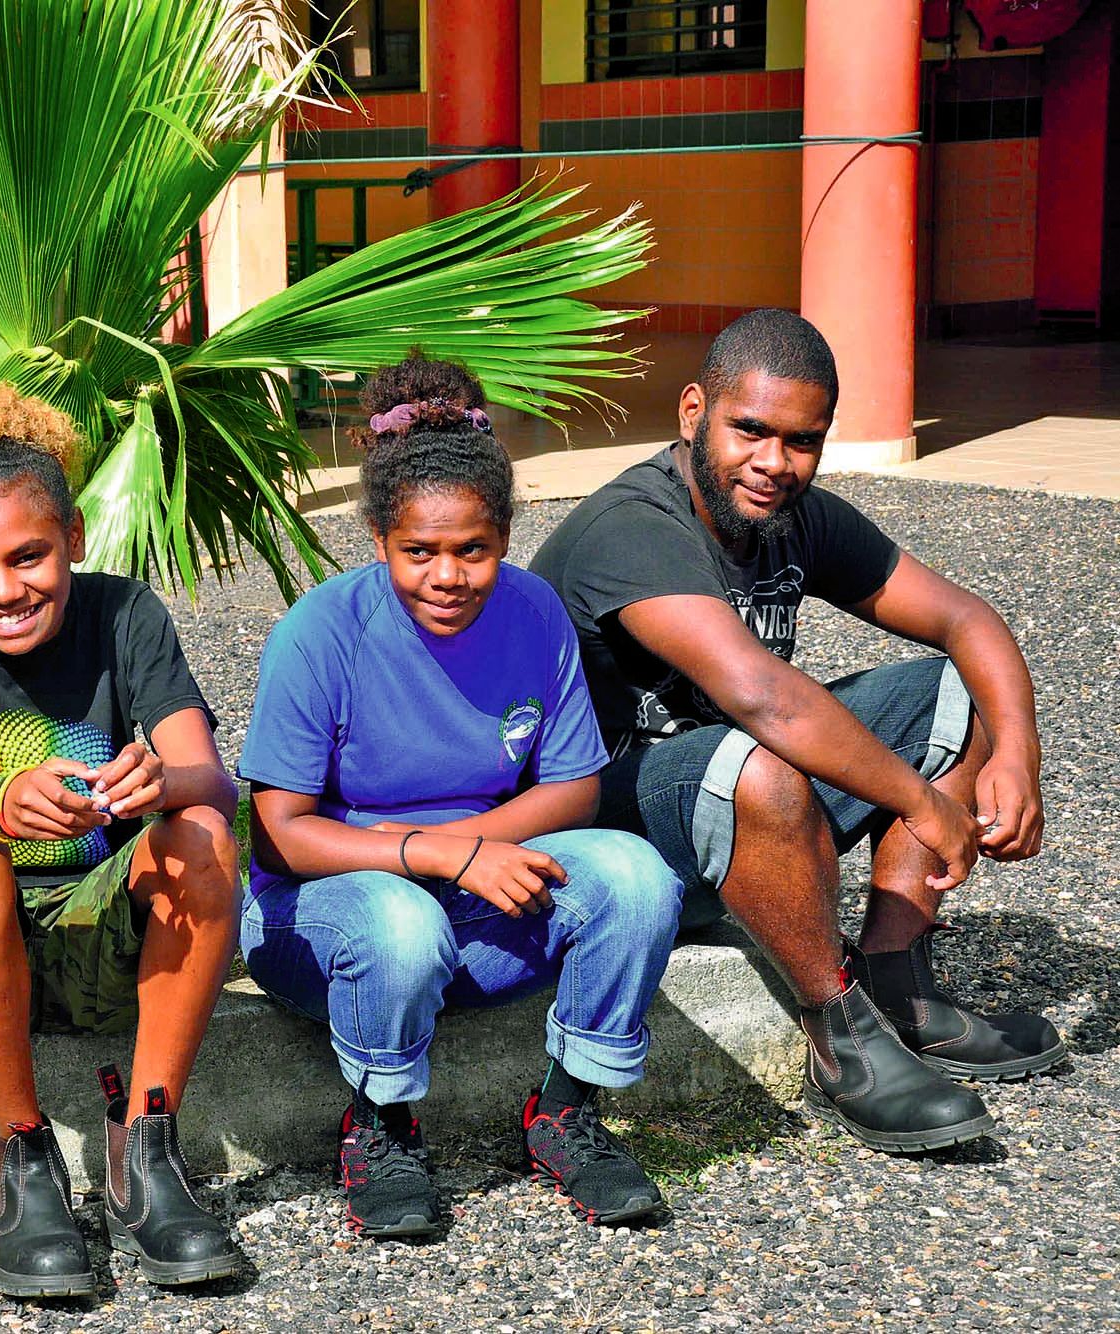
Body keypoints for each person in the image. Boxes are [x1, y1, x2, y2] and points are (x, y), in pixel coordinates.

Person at [529, 308, 1064, 1154]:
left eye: (801, 441)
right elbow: (762, 699)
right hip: (611, 840)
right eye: (749, 430)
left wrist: (1017, 755)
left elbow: (965, 618)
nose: (773, 462)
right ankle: (838, 1035)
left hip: (746, 804)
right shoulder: (631, 527)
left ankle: (896, 986)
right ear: (693, 412)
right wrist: (922, 801)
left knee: (958, 691)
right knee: (755, 756)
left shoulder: (792, 515)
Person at [238, 354, 684, 1236]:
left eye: (471, 550)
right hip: (332, 919)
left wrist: (473, 851)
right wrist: (441, 856)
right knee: (399, 923)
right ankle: (380, 1125)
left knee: (635, 877)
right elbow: (277, 835)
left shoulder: (534, 611)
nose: (447, 575)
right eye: (419, 552)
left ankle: (566, 1111)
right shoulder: (318, 631)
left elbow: (573, 787)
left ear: (504, 537)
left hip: (473, 907)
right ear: (378, 541)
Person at [0, 384, 247, 1297]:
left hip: (92, 941)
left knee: (199, 833)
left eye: (27, 556)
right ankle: (24, 1160)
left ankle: (146, 1149)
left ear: (71, 536)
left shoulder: (125, 613)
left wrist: (159, 782)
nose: (2, 591)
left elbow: (213, 783)